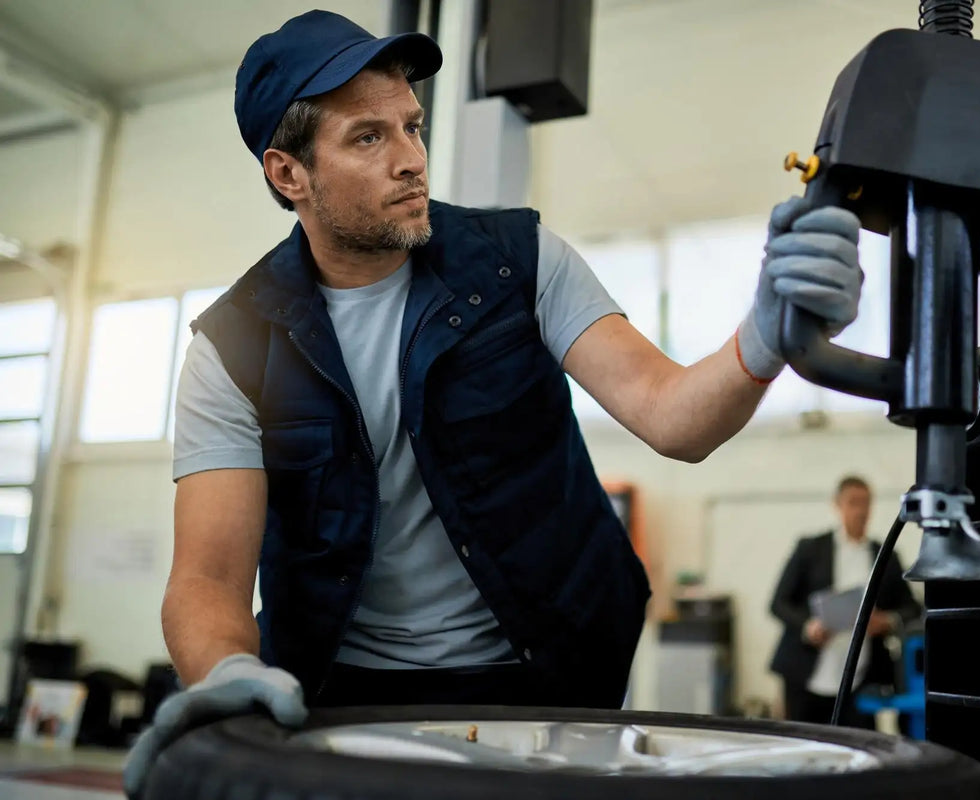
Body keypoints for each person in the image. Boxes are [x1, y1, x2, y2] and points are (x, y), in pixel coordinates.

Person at [122, 8, 865, 796]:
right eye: (368, 138)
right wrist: (231, 675)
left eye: (412, 127)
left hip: (544, 667)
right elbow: (207, 578)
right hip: (336, 689)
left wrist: (766, 335)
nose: (412, 160)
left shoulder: (521, 261)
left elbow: (671, 413)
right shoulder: (233, 347)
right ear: (288, 174)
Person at [768, 475, 921, 728]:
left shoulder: (885, 556)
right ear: (838, 506)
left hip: (860, 679)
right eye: (853, 502)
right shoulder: (810, 549)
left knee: (858, 747)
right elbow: (778, 603)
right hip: (808, 673)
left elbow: (911, 607)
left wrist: (886, 621)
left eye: (865, 503)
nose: (860, 510)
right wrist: (808, 626)